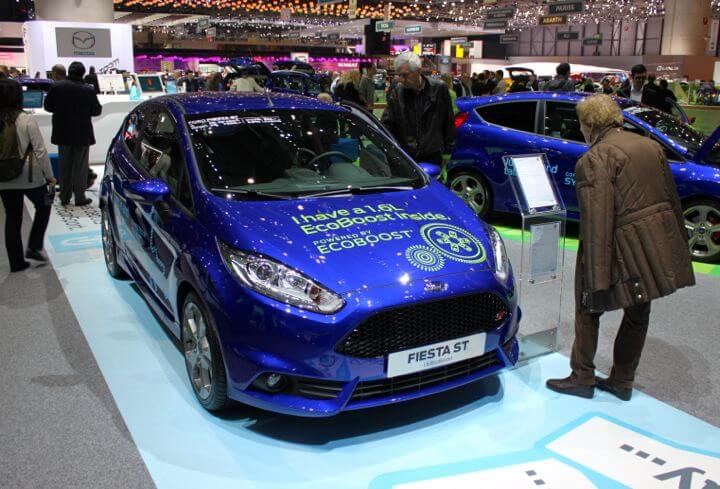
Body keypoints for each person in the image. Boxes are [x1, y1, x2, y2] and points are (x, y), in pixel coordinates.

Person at [546, 94, 695, 401]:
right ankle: (622, 381)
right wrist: (676, 246)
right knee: (639, 311)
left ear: (589, 125)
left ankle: (582, 376)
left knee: (588, 307)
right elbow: (671, 199)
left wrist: (595, 274)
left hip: (619, 246)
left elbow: (597, 220)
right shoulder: (650, 146)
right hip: (654, 243)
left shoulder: (595, 159)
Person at [0, 79, 55, 272]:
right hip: (29, 175)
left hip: (3, 177)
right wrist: (50, 176)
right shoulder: (26, 119)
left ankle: (16, 263)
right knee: (44, 206)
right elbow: (40, 151)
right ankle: (34, 245)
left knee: (12, 217)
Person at [381, 51, 455, 166]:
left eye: (405, 75)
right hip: (406, 158)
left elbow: (448, 122)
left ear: (419, 71)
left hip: (433, 156)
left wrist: (448, 152)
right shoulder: (397, 92)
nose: (401, 79)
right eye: (399, 75)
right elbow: (387, 125)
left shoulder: (439, 89)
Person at [44, 61, 102, 206]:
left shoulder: (56, 87)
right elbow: (97, 110)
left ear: (69, 72)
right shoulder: (88, 89)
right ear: (83, 73)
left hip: (62, 132)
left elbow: (48, 106)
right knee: (80, 167)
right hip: (82, 133)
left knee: (64, 166)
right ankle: (80, 197)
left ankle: (64, 196)